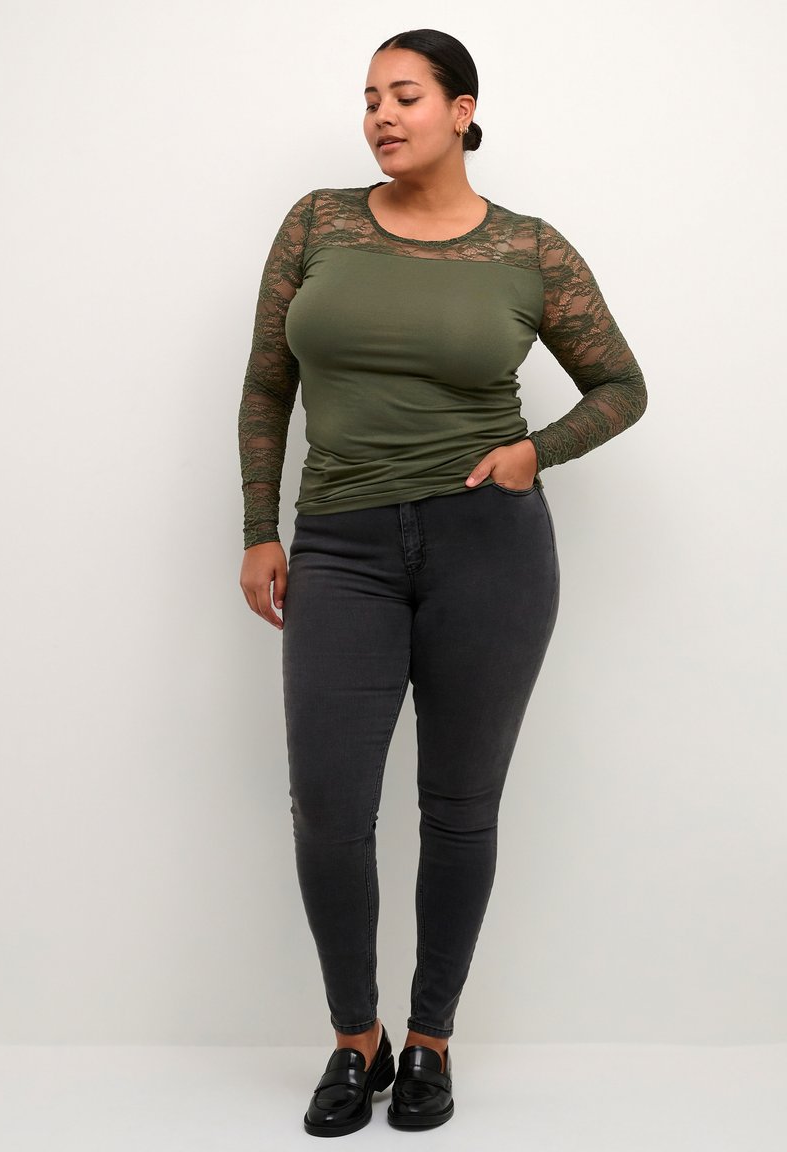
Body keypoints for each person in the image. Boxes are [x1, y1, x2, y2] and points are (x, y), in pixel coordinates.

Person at [238, 27, 647, 1138]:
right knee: (330, 809)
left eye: (406, 94)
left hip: (489, 548)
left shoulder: (527, 249)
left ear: (462, 110)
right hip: (340, 548)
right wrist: (259, 527)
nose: (381, 114)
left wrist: (534, 453)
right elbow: (268, 385)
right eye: (370, 96)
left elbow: (620, 384)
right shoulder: (317, 224)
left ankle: (430, 1041)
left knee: (459, 808)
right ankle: (353, 1040)